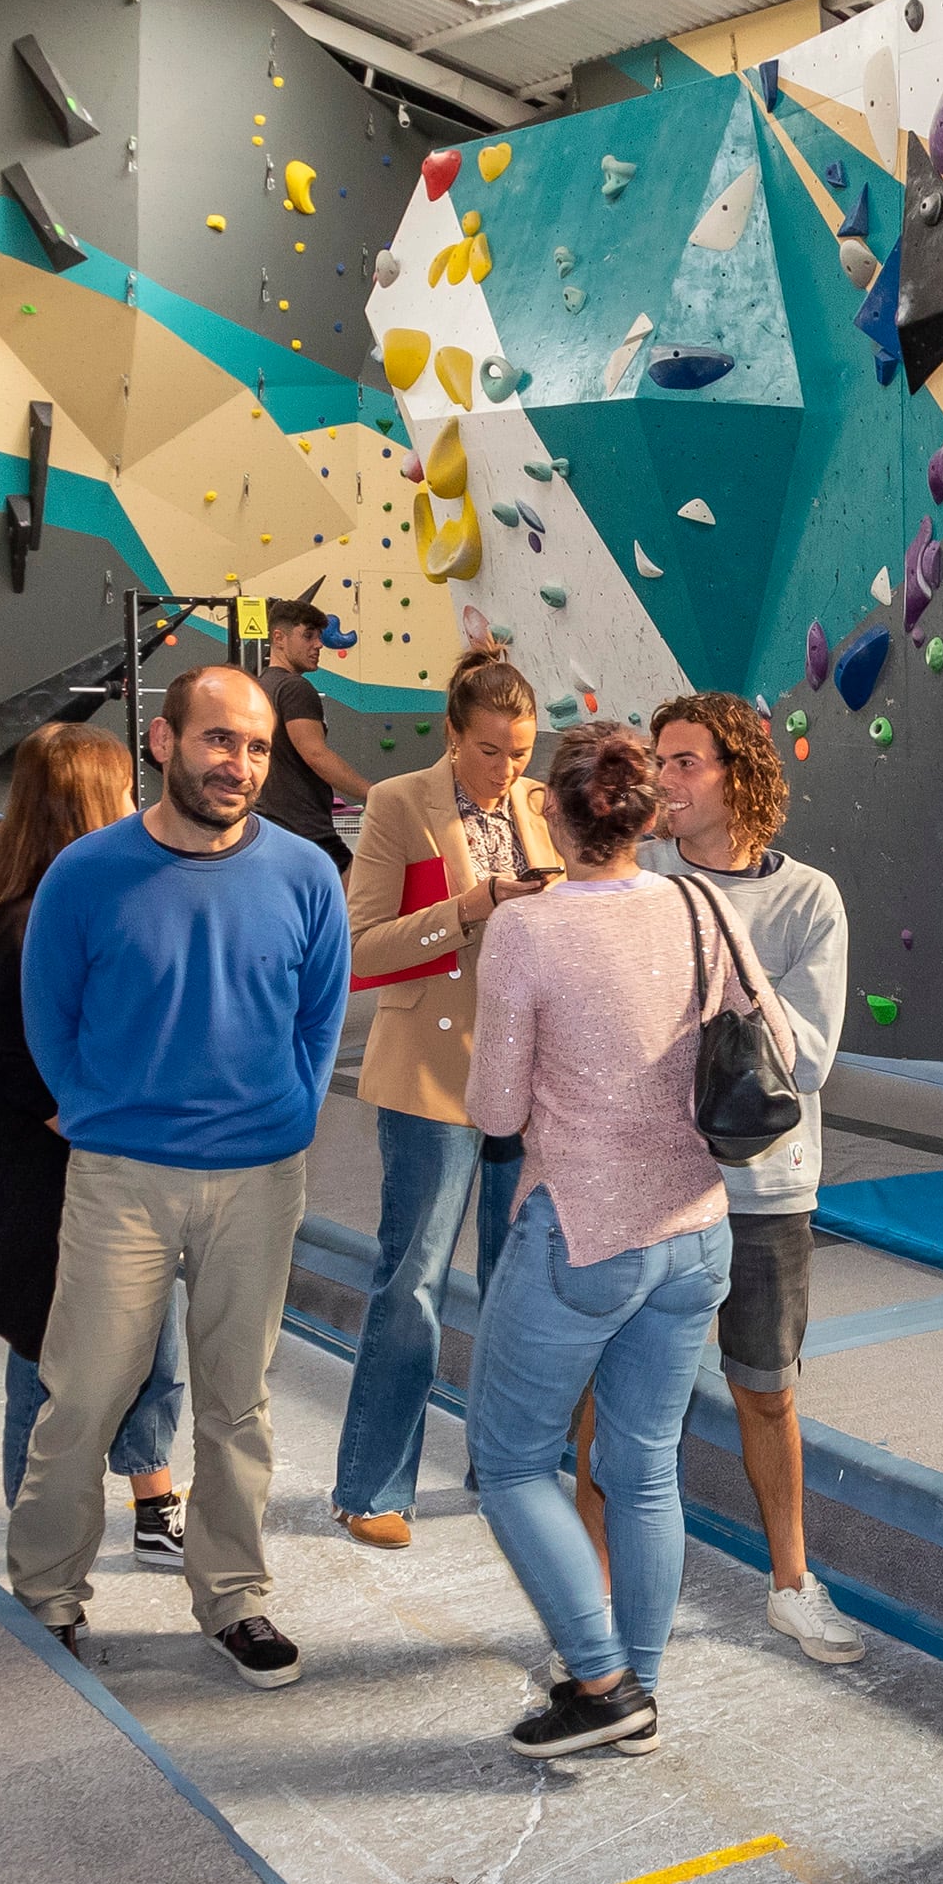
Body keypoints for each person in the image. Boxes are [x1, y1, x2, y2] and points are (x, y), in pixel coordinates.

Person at [8, 663, 351, 1685]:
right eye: (217, 741)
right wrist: (95, 1107)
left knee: (236, 1404)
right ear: (163, 743)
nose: (237, 764)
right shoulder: (86, 874)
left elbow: (319, 1017)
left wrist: (291, 1110)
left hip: (258, 1179)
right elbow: (48, 1014)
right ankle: (48, 1597)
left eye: (254, 747)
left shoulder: (303, 875)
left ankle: (234, 1596)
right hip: (123, 1180)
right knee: (84, 1396)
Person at [464, 725, 793, 1762]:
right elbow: (778, 1050)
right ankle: (638, 1691)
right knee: (644, 1467)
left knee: (511, 1461)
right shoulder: (699, 906)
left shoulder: (529, 931)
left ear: (551, 815)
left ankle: (601, 1681)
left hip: (586, 1234)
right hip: (696, 1229)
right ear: (646, 815)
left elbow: (491, 1108)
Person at [622, 689, 860, 1665]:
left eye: (685, 762)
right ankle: (605, 1596)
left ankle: (792, 1584)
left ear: (736, 776)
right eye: (658, 762)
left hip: (765, 1188)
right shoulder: (634, 877)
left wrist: (720, 955)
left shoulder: (806, 899)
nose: (666, 780)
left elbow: (805, 1058)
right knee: (626, 1396)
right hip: (650, 1180)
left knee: (766, 1388)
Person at [330, 639, 557, 1548]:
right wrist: (472, 906)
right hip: (430, 1076)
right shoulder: (397, 804)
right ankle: (372, 1484)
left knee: (517, 1284)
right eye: (492, 749)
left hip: (528, 1079)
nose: (508, 770)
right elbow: (361, 949)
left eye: (523, 751)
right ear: (453, 735)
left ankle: (501, 1462)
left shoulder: (542, 807)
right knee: (413, 1280)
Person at [0, 723, 187, 1549]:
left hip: (110, 1175)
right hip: (48, 1194)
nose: (137, 808)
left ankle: (152, 1495)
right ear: (88, 805)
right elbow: (42, 1086)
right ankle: (39, 1528)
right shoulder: (31, 929)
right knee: (54, 1365)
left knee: (154, 1340)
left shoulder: (89, 908)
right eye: (124, 791)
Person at [255, 594, 369, 869]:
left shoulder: (259, 687)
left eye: (318, 636)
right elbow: (315, 753)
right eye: (308, 636)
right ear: (279, 638)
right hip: (305, 830)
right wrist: (374, 793)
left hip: (269, 827)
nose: (318, 644)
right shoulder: (295, 688)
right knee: (357, 905)